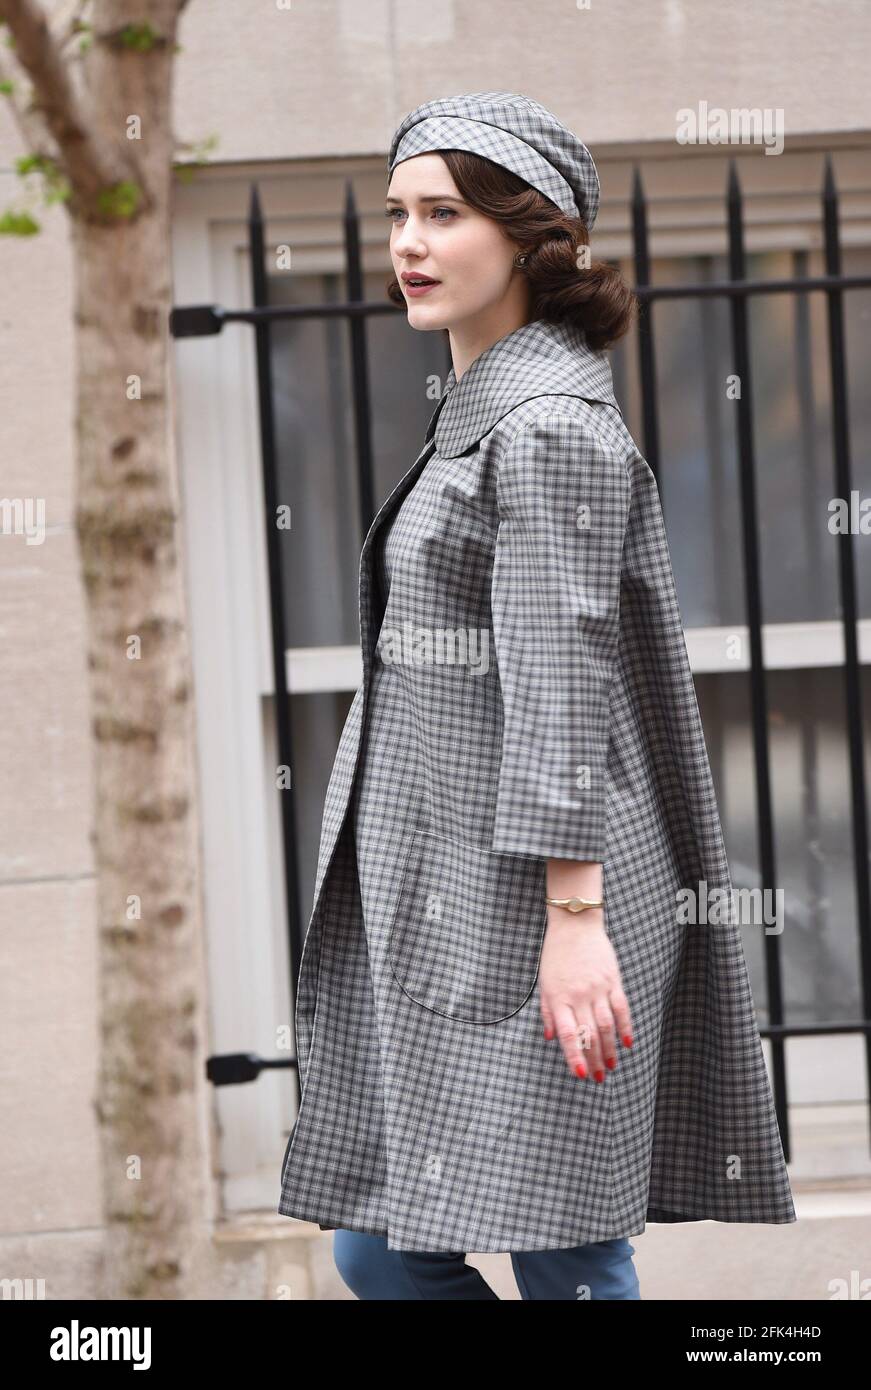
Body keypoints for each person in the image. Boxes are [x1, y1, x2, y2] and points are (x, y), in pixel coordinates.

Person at [278, 91, 796, 1301]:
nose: (406, 242)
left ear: (528, 235)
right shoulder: (489, 412)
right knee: (382, 1241)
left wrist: (575, 926)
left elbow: (561, 684)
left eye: (444, 213)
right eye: (397, 212)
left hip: (544, 916)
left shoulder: (547, 425)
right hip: (466, 908)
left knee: (565, 1250)